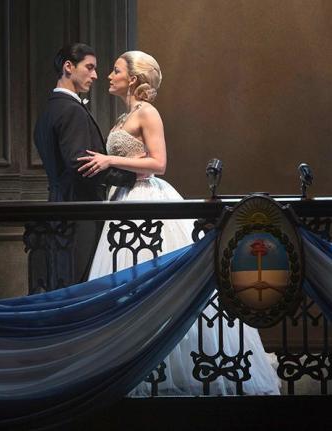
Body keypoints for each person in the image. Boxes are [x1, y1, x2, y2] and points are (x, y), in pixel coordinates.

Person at [79, 51, 280, 396]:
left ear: (135, 78)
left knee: (158, 276)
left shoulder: (148, 113)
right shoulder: (126, 115)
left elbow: (159, 162)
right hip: (126, 198)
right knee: (129, 280)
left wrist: (109, 159)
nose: (109, 76)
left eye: (116, 70)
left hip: (147, 197)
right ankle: (136, 362)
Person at [33, 43, 136, 289]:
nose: (96, 75)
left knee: (65, 282)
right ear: (68, 67)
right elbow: (82, 164)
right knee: (81, 283)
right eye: (89, 67)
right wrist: (130, 178)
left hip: (59, 206)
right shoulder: (70, 110)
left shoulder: (49, 110)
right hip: (80, 212)